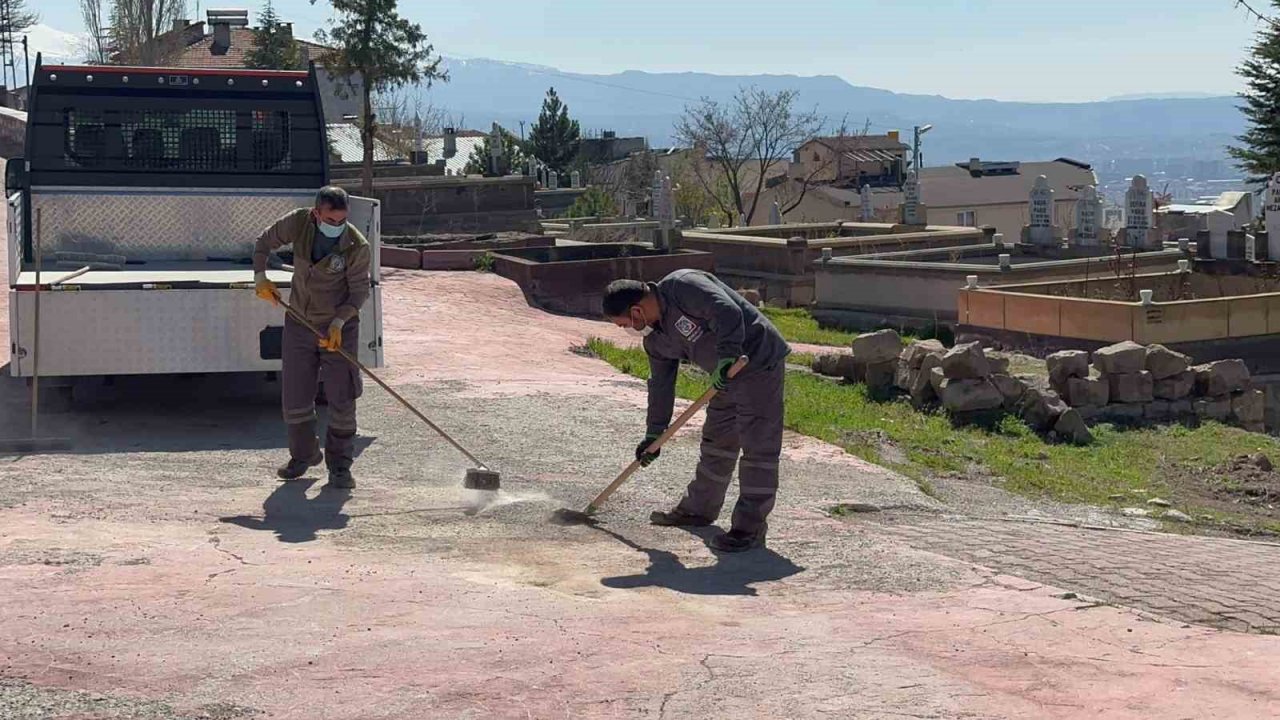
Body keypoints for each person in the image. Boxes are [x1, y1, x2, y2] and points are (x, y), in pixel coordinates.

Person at [602, 270, 790, 552]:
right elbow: (661, 385)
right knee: (717, 442)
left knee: (758, 448)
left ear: (637, 310)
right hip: (723, 378)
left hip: (757, 363)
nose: (626, 329)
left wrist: (727, 355)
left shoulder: (684, 286)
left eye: (623, 324)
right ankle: (699, 510)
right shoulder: (656, 340)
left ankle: (749, 528)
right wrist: (654, 433)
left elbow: (726, 312)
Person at [253, 186, 371, 489]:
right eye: (331, 220)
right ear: (317, 213)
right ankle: (303, 456)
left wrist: (338, 323)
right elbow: (263, 243)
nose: (337, 226)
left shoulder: (356, 245)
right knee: (295, 394)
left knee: (341, 398)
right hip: (299, 322)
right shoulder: (299, 222)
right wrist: (261, 277)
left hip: (338, 327)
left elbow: (359, 291)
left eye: (342, 220)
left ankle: (340, 467)